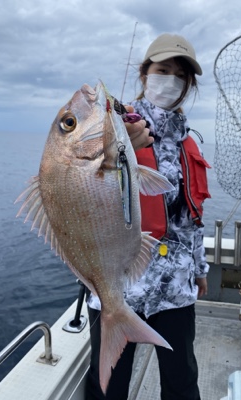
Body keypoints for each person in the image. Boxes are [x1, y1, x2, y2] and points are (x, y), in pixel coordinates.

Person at [85, 33, 211, 400]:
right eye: (163, 69)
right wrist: (113, 149)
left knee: (182, 382)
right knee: (107, 386)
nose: (171, 80)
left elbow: (192, 217)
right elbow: (77, 180)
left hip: (174, 288)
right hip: (117, 286)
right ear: (144, 73)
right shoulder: (112, 125)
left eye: (181, 75)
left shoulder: (189, 141)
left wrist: (200, 270)